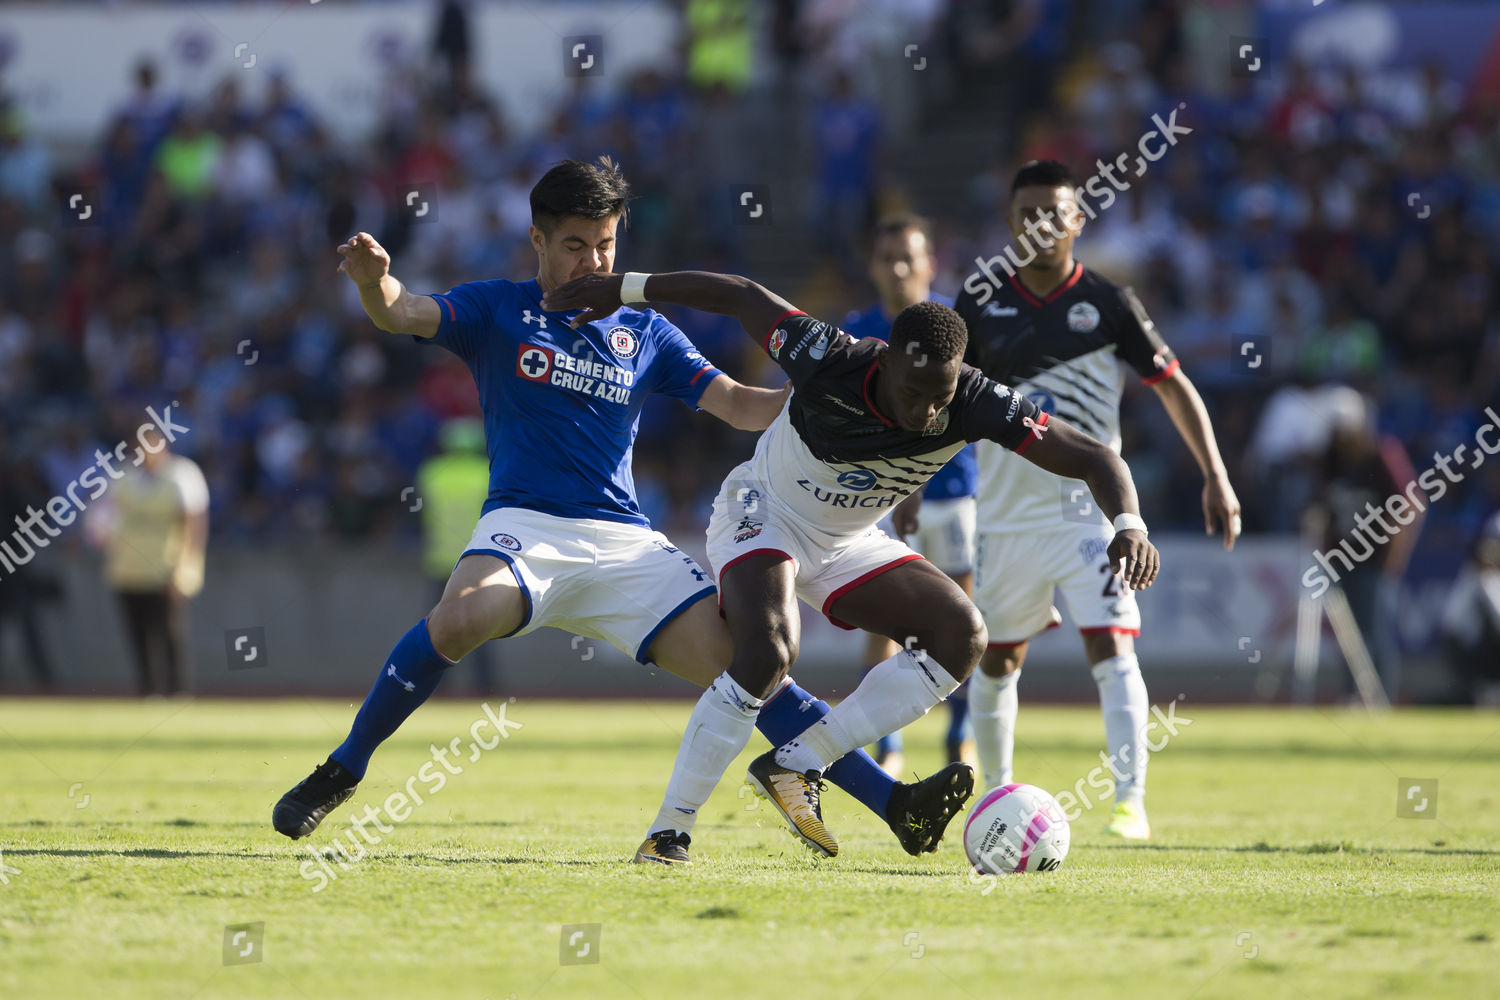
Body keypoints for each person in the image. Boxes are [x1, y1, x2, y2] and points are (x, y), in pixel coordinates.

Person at [272, 158, 971, 866]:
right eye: (576, 244)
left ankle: (894, 805)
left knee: (755, 670)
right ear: (538, 241)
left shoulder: (646, 331)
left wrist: (835, 400)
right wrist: (373, 283)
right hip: (527, 527)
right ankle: (344, 768)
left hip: (626, 545)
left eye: (606, 245)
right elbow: (403, 310)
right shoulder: (495, 308)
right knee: (459, 618)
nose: (594, 260)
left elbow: (734, 402)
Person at [542, 267, 1159, 859]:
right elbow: (737, 294)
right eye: (911, 393)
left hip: (849, 540)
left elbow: (1095, 458)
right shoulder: (825, 354)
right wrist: (624, 289)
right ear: (885, 361)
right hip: (764, 512)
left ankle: (797, 762)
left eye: (937, 398)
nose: (922, 412)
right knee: (768, 652)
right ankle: (670, 832)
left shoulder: (976, 400)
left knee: (963, 634)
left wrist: (1128, 523)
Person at [953, 160, 1241, 840]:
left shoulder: (1110, 304)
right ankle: (998, 799)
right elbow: (942, 400)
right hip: (1004, 518)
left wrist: (1216, 474)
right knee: (998, 659)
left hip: (1092, 517)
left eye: (1056, 214)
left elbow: (1173, 384)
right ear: (1010, 222)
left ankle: (1128, 805)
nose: (1041, 227)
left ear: (1078, 221)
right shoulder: (978, 302)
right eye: (1027, 215)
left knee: (1113, 651)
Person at [842, 214, 978, 776]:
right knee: (885, 625)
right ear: (873, 266)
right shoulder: (860, 330)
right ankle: (888, 747)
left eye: (909, 257)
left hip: (952, 491)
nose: (899, 268)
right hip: (881, 499)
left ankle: (960, 734)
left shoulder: (958, 325)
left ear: (930, 262)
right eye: (887, 258)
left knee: (965, 616)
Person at [98, 440, 208, 696]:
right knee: (138, 634)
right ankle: (149, 691)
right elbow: (103, 521)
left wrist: (187, 565)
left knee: (170, 632)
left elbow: (194, 523)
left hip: (165, 568)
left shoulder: (181, 475)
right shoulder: (122, 476)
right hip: (128, 570)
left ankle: (178, 690)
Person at [415, 418, 497, 693]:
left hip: (439, 559)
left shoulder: (431, 472)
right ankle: (485, 688)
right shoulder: (486, 473)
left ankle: (439, 687)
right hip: (476, 562)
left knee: (438, 628)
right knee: (480, 627)